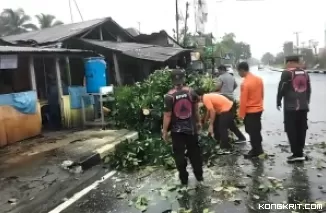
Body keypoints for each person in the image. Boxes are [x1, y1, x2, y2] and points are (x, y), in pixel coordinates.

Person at [162, 69, 203, 187]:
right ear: (183, 79)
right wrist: (198, 122)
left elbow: (167, 115)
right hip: (191, 129)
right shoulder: (191, 92)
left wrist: (164, 131)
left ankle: (184, 179)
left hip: (177, 131)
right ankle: (199, 175)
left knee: (179, 154)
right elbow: (195, 110)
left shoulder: (169, 96)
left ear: (172, 80)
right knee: (195, 152)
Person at [276, 55, 311, 162]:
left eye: (286, 63)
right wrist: (306, 101)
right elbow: (309, 89)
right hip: (303, 106)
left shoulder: (287, 73)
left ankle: (296, 153)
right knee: (301, 128)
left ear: (290, 62)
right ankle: (300, 151)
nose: (286, 65)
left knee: (291, 129)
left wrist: (278, 100)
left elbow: (281, 87)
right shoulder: (305, 73)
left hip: (291, 107)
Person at [196, 89, 237, 154]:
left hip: (226, 108)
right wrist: (205, 120)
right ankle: (219, 141)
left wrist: (211, 125)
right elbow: (209, 111)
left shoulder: (205, 98)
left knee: (222, 128)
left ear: (199, 96)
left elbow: (212, 111)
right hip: (227, 107)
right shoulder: (206, 97)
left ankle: (225, 147)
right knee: (219, 125)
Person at [237, 62, 265, 158]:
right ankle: (258, 149)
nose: (239, 74)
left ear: (242, 70)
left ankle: (256, 151)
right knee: (256, 130)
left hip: (250, 111)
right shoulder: (259, 79)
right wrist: (260, 104)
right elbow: (262, 94)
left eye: (238, 71)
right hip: (258, 109)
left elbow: (243, 100)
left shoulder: (245, 83)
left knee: (251, 131)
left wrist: (241, 115)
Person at [214, 64, 247, 143]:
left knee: (222, 122)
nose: (218, 72)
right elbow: (235, 85)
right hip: (232, 100)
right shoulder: (231, 76)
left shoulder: (221, 77)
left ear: (221, 70)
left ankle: (223, 141)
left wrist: (213, 90)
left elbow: (217, 87)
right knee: (230, 122)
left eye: (218, 71)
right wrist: (230, 91)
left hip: (224, 100)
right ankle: (241, 137)